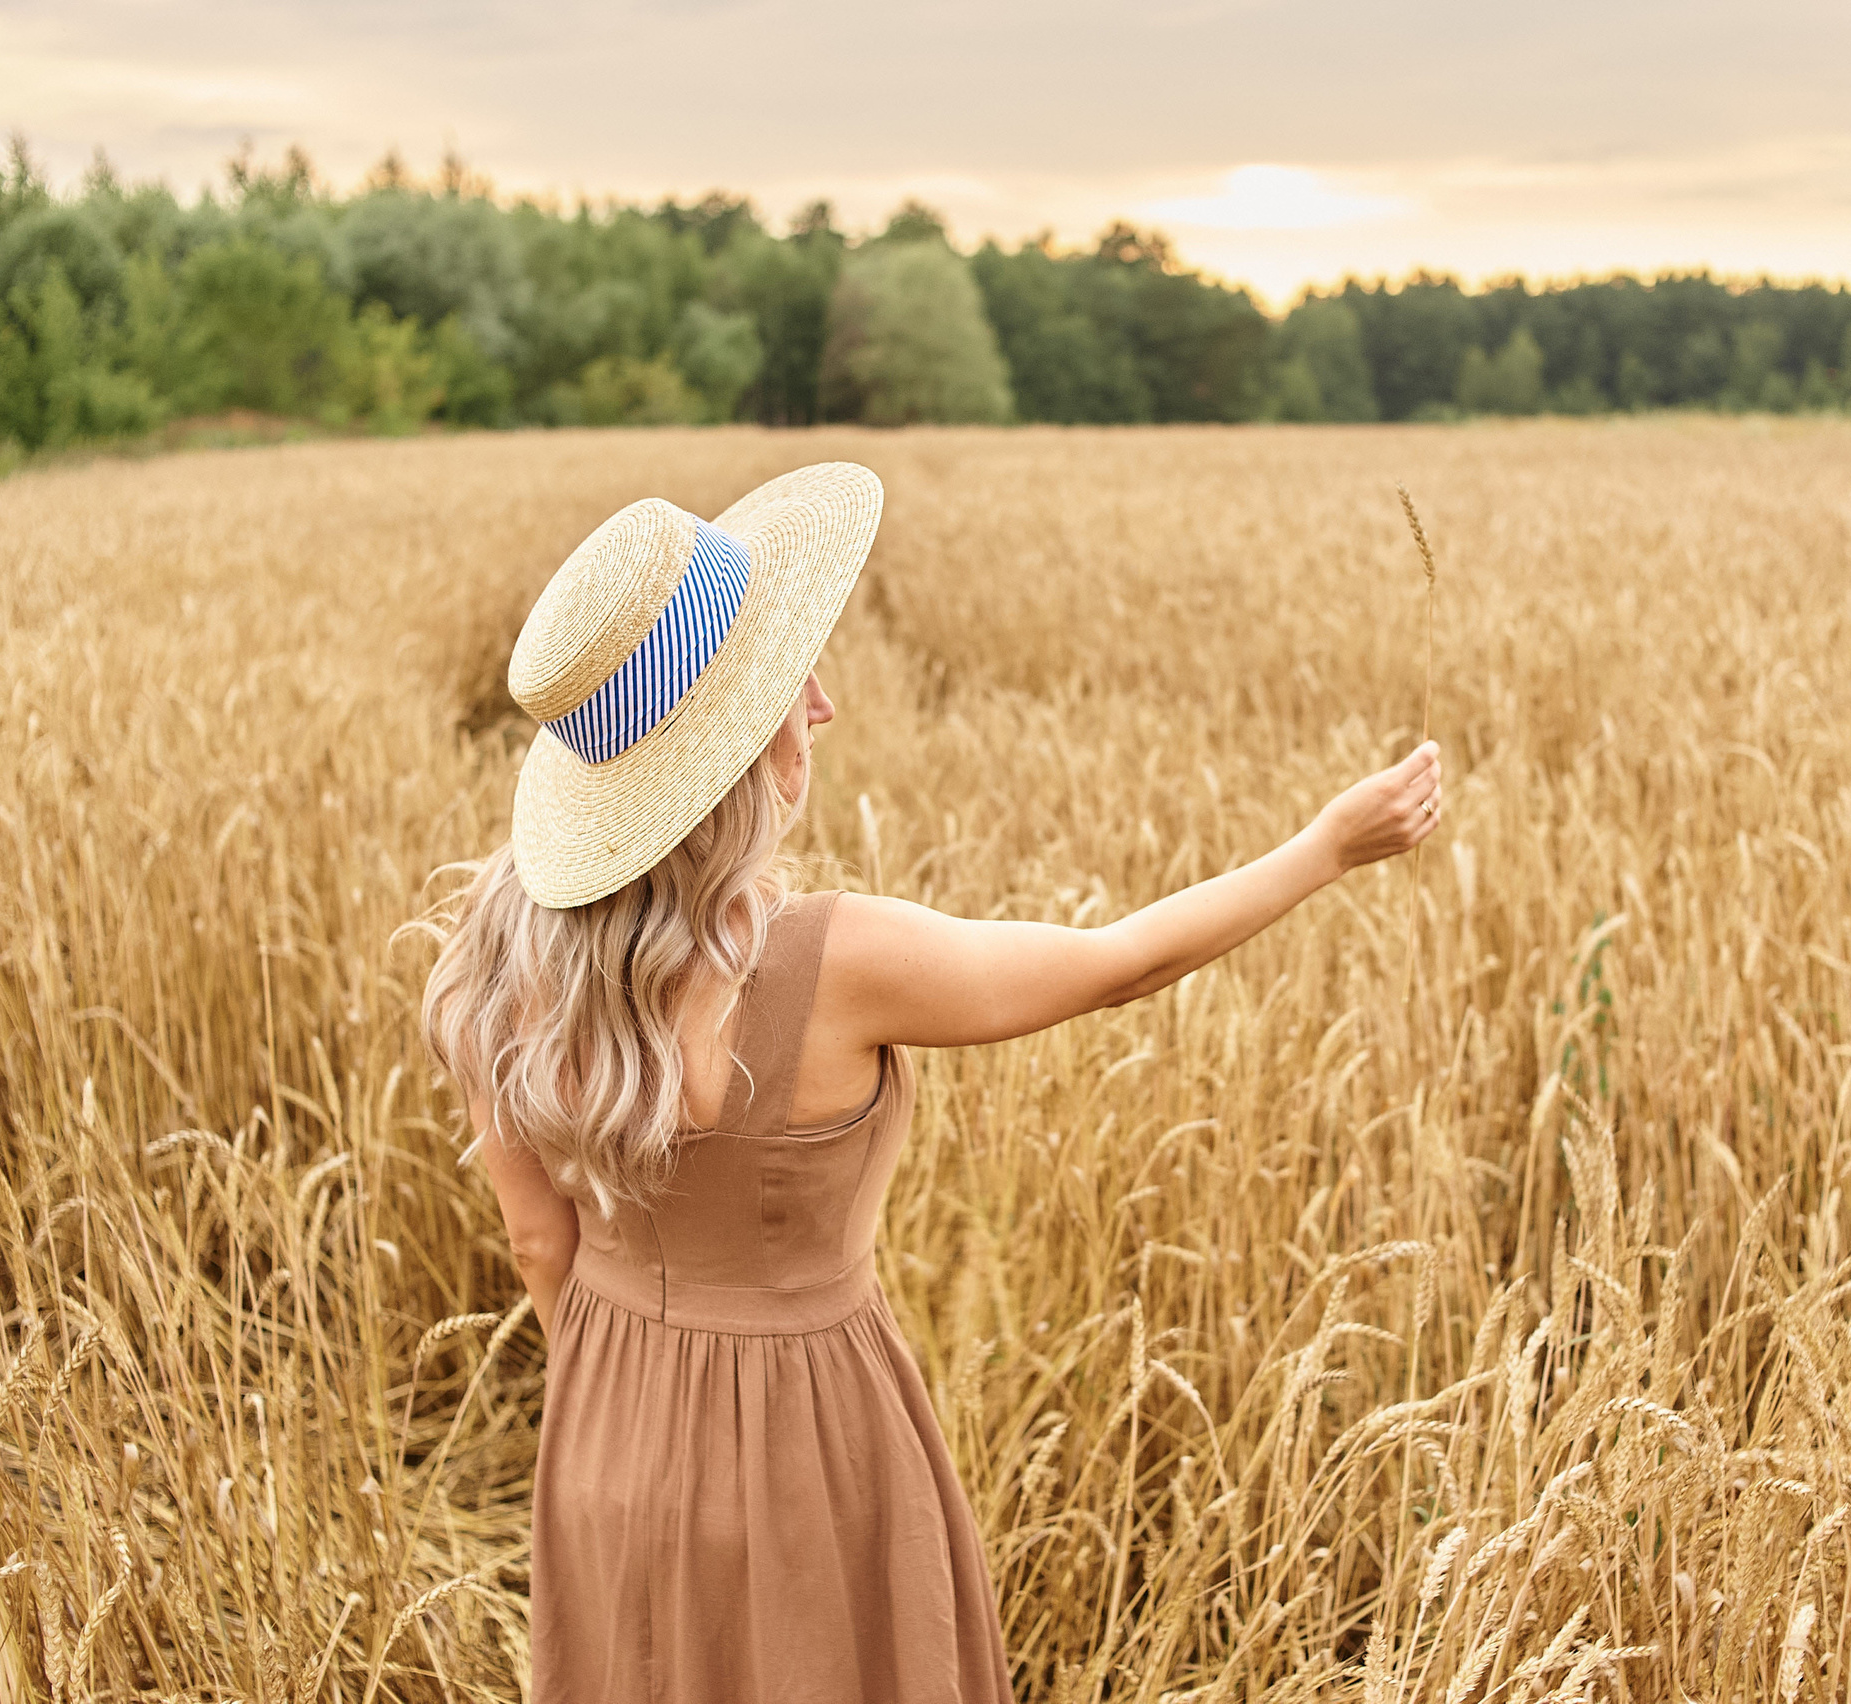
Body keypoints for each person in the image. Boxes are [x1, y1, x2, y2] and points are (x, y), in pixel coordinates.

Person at [416, 463, 1442, 1703]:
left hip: (604, 1422)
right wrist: (1327, 847)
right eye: (792, 680)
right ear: (739, 744)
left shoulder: (491, 964)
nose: (824, 703)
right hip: (808, 1442)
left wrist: (636, 1386)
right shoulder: (831, 963)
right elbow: (1117, 967)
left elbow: (539, 1245)